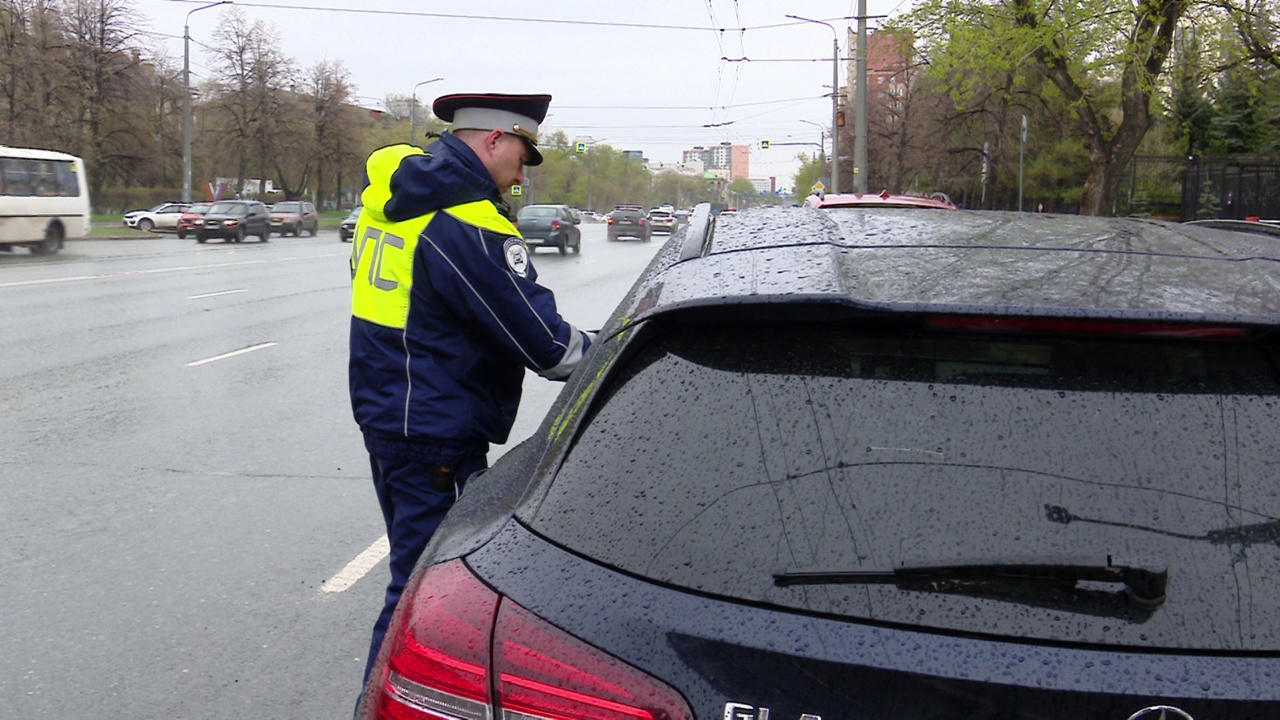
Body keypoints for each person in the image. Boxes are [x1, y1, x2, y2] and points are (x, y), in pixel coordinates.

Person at [348, 92, 593, 683]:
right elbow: (547, 346)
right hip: (436, 431)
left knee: (415, 578)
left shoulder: (390, 197)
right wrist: (613, 351)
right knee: (421, 593)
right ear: (494, 139)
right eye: (520, 153)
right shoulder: (467, 221)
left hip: (389, 415)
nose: (520, 171)